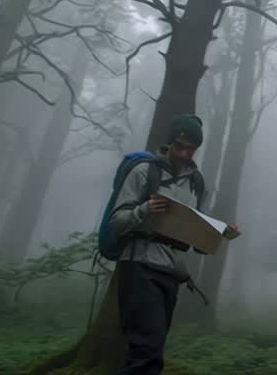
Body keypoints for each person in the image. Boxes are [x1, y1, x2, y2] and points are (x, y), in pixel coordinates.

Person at [108, 113, 219, 374]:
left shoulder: (198, 184)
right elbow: (116, 222)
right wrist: (144, 209)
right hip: (139, 268)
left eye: (190, 148)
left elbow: (200, 242)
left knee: (148, 351)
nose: (183, 153)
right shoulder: (144, 171)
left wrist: (220, 234)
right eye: (179, 146)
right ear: (169, 142)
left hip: (172, 274)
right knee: (147, 352)